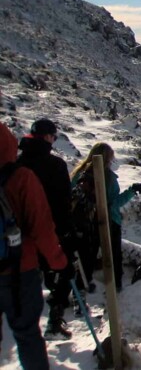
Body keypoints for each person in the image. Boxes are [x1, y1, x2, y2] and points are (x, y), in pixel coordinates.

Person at [0, 121, 68, 370]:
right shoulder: (20, 177)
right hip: (19, 269)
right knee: (28, 335)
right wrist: (58, 259)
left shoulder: (22, 165)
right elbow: (42, 225)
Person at [17, 119, 75, 339]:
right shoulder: (55, 165)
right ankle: (54, 319)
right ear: (48, 137)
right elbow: (62, 202)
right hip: (50, 230)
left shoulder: (18, 164)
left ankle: (25, 327)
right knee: (65, 270)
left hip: (19, 234)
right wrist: (67, 231)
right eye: (54, 136)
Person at [69, 143, 141, 292]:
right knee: (113, 255)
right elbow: (113, 204)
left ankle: (80, 288)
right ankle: (116, 286)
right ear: (106, 158)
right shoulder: (108, 178)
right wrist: (133, 191)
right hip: (108, 220)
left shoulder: (79, 174)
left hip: (84, 222)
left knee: (87, 256)